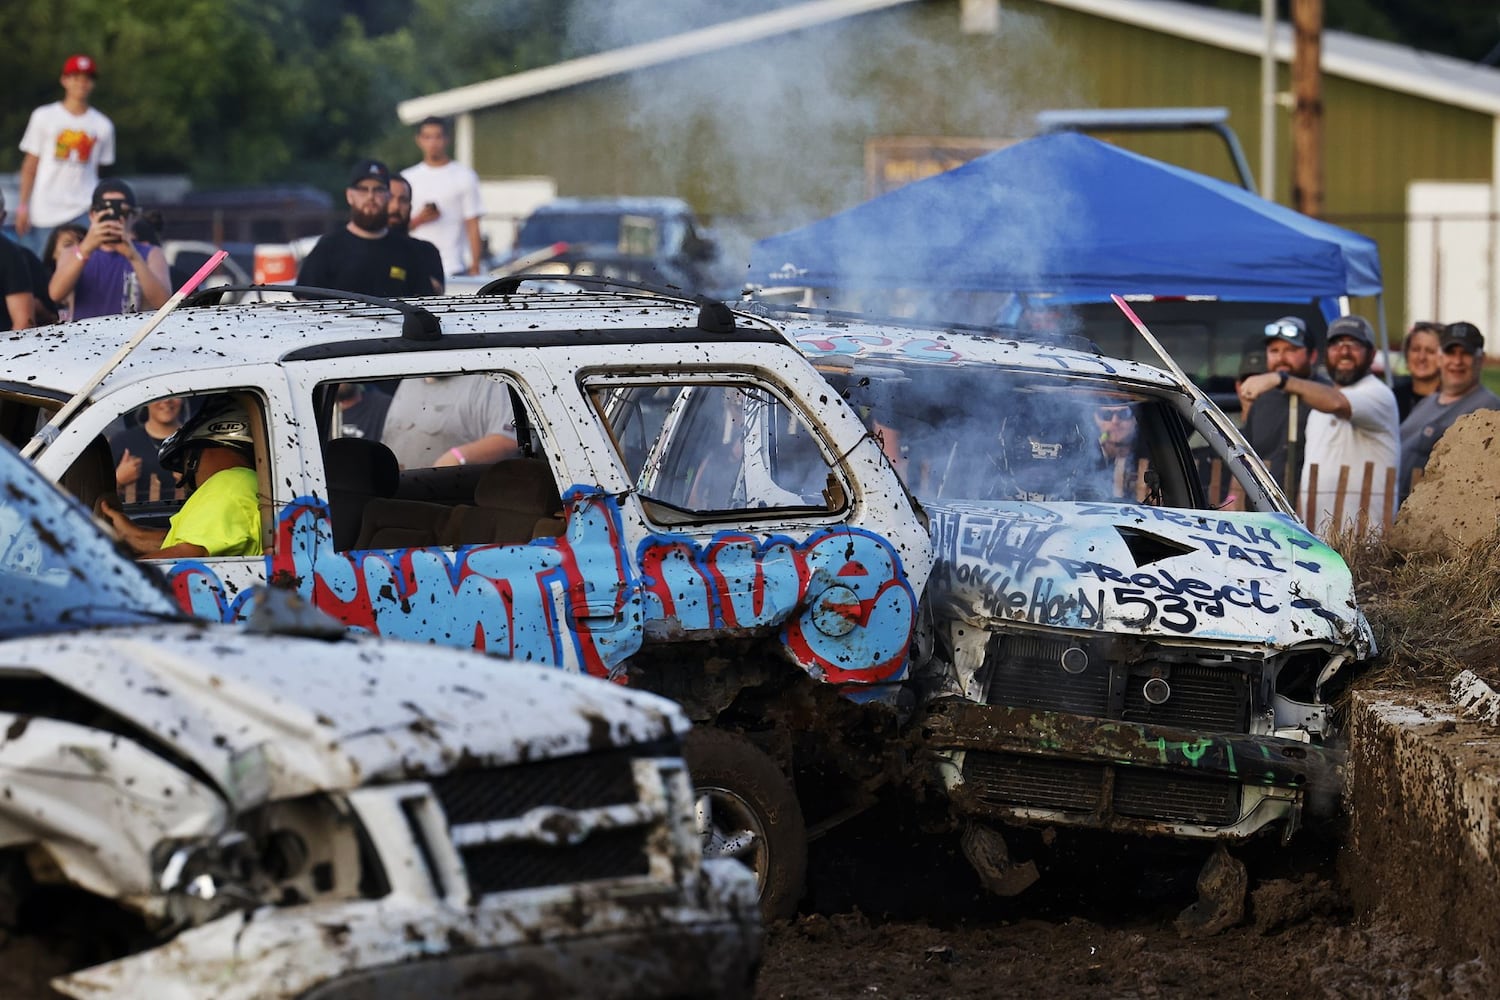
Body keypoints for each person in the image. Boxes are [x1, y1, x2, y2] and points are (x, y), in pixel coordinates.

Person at [1239, 315, 1399, 536]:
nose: (1344, 351)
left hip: (1365, 542)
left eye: (1354, 344)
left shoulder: (1378, 394)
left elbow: (1337, 403)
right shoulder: (1318, 410)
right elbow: (1310, 476)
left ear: (1372, 354)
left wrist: (1280, 379)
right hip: (1320, 540)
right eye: (1336, 344)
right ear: (1326, 354)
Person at [98, 397, 262, 559]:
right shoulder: (242, 484)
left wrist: (105, 575)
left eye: (183, 461)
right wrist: (133, 534)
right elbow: (190, 542)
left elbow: (185, 556)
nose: (186, 475)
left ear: (195, 454)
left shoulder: (228, 485)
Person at [15, 54, 116, 255]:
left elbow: (98, 170)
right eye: (75, 77)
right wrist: (22, 206)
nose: (81, 83)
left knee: (85, 266)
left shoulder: (103, 125)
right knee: (44, 267)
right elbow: (30, 165)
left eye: (86, 78)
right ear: (64, 80)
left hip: (83, 208)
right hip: (46, 209)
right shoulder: (44, 116)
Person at [296, 159, 435, 298]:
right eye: (363, 189)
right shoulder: (328, 247)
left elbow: (424, 305)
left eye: (378, 189)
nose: (371, 196)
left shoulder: (408, 251)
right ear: (350, 196)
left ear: (388, 196)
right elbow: (305, 303)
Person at [1399, 321, 1500, 502]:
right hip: (1395, 513)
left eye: (1466, 354)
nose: (1457, 361)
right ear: (1440, 357)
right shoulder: (1427, 402)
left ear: (1481, 359)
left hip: (1435, 520)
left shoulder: (1488, 409)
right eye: (1450, 352)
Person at [48, 180, 172, 320]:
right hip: (85, 337)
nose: (114, 219)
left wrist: (133, 257)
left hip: (132, 337)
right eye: (106, 212)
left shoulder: (150, 253)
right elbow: (56, 294)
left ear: (133, 216)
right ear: (93, 215)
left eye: (122, 212)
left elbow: (164, 304)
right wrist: (86, 249)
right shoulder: (73, 253)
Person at [1241, 316, 1327, 499]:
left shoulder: (1327, 396)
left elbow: (1338, 402)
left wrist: (1282, 381)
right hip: (1265, 510)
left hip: (1317, 510)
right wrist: (1233, 499)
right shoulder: (1262, 399)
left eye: (1291, 350)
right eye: (1274, 350)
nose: (1281, 358)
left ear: (1312, 356)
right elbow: (1244, 454)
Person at [380, 374, 518, 470]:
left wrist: (459, 457)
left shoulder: (488, 377)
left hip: (451, 500)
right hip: (402, 496)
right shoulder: (410, 376)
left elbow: (510, 441)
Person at [403, 117, 485, 276]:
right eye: (427, 137)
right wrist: (420, 219)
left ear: (447, 139)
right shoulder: (407, 178)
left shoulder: (464, 176)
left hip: (453, 266)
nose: (433, 143)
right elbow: (394, 227)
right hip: (415, 266)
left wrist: (475, 265)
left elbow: (473, 224)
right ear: (419, 140)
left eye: (438, 136)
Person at [109, 396, 185, 504]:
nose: (167, 400)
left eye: (174, 394)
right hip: (134, 520)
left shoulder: (195, 440)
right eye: (160, 394)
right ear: (146, 399)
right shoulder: (122, 441)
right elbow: (100, 498)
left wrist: (191, 478)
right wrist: (119, 479)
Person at [388, 173, 445, 293]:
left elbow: (437, 292)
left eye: (403, 200)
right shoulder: (356, 248)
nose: (396, 206)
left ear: (410, 206)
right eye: (389, 198)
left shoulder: (426, 251)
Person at [1392, 321, 1443, 422]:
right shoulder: (1392, 399)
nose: (1421, 357)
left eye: (1430, 351)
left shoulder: (1453, 401)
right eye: (1415, 349)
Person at [41, 223, 88, 322]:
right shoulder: (42, 282)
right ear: (53, 252)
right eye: (68, 245)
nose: (77, 249)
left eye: (82, 244)